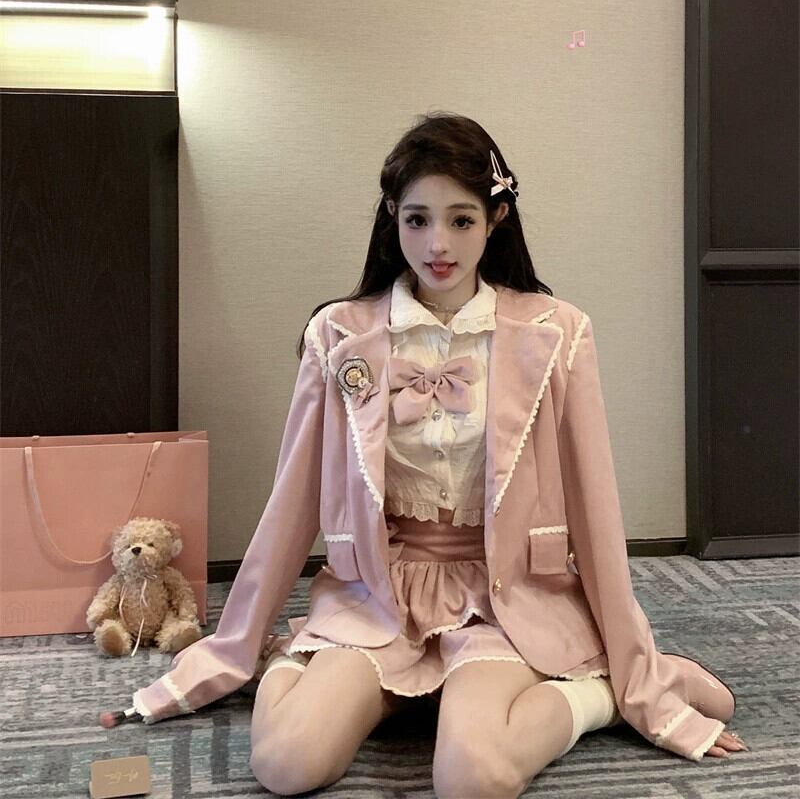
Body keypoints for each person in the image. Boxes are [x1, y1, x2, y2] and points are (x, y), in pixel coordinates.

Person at [128, 112, 748, 796]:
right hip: (379, 597)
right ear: (392, 218)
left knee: (472, 779)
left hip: (507, 598)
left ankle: (596, 693)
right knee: (286, 764)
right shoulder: (338, 334)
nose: (438, 244)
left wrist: (638, 682)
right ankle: (317, 666)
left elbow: (596, 515)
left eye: (461, 220)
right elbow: (292, 504)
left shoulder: (558, 332)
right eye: (417, 219)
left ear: (496, 218)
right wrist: (231, 651)